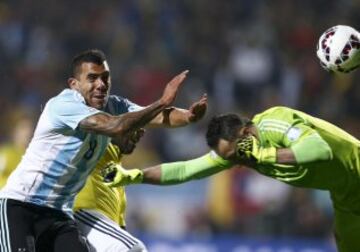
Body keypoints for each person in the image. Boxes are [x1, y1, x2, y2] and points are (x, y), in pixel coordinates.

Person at [0, 48, 206, 252]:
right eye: (92, 78)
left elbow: (157, 117)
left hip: (59, 214)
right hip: (20, 206)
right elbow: (115, 126)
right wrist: (161, 102)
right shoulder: (63, 105)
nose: (101, 84)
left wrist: (188, 116)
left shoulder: (113, 105)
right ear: (74, 84)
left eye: (105, 77)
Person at [104, 106, 360, 252]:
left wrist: (265, 153)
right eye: (231, 158)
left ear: (247, 131)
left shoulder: (274, 123)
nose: (239, 162)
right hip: (347, 196)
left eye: (237, 154)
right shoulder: (237, 151)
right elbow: (184, 170)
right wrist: (133, 176)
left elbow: (320, 150)